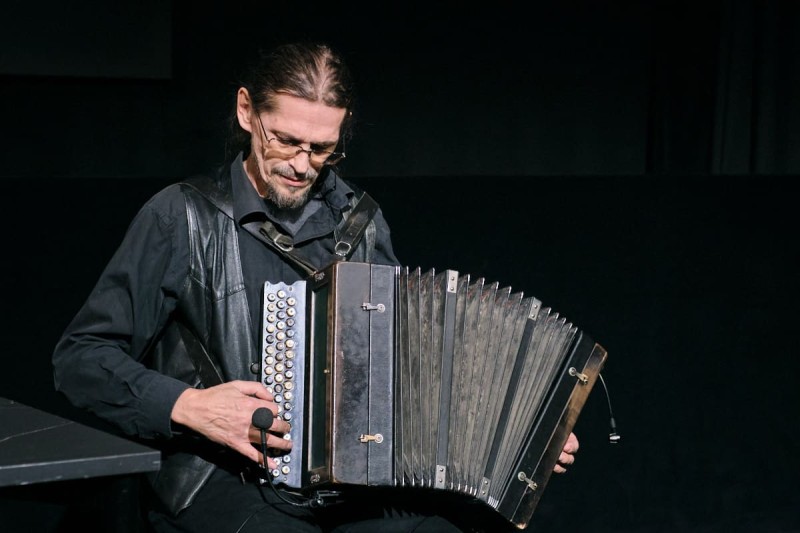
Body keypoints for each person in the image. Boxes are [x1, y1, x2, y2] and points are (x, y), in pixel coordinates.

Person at [52, 41, 579, 533]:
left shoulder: (361, 224)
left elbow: (404, 369)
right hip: (222, 477)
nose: (301, 166)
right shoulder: (182, 217)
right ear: (246, 111)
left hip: (351, 482)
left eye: (322, 149)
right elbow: (80, 358)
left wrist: (512, 436)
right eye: (285, 140)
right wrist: (190, 406)